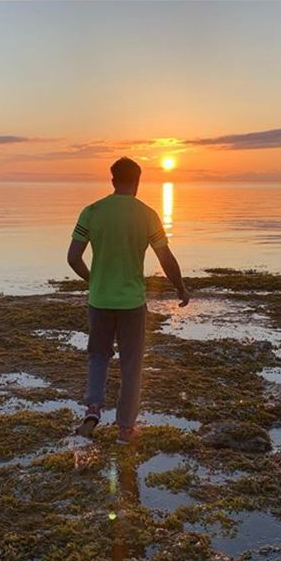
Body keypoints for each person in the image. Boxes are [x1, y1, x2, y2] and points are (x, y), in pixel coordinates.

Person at [67, 157, 190, 443]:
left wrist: (93, 280)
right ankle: (125, 429)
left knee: (98, 356)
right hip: (132, 303)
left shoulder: (92, 212)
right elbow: (166, 258)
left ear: (112, 181)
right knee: (132, 364)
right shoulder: (146, 214)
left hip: (99, 301)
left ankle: (93, 409)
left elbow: (73, 257)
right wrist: (181, 287)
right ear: (137, 181)